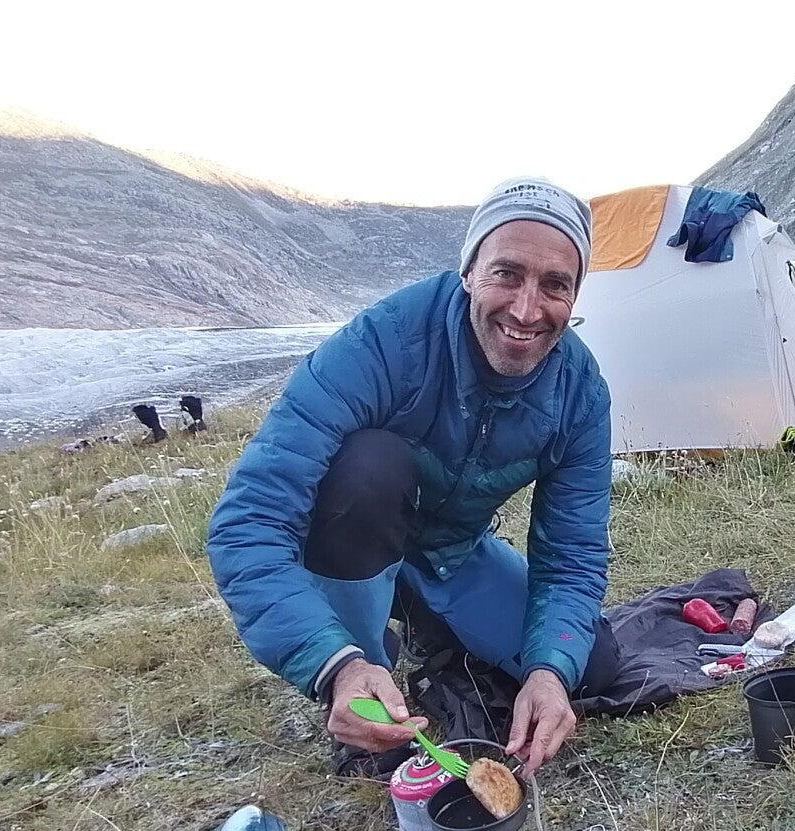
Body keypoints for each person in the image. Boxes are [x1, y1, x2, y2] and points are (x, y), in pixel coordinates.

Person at [206, 177, 618, 779]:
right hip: (354, 545)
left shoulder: (578, 394)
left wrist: (549, 671)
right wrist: (333, 664)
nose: (527, 310)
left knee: (592, 665)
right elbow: (249, 523)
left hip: (452, 554)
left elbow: (573, 556)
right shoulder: (383, 343)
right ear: (469, 272)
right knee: (370, 464)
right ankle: (364, 671)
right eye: (506, 274)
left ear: (575, 294)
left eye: (555, 285)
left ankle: (429, 624)